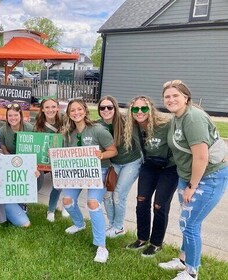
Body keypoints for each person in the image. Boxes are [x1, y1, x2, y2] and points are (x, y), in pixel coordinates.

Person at [159, 80, 228, 280]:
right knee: (186, 222)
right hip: (187, 177)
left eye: (175, 95)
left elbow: (201, 157)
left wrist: (191, 186)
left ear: (186, 98)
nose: (171, 99)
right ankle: (182, 260)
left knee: (190, 224)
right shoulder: (177, 117)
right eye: (167, 96)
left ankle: (191, 272)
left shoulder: (193, 118)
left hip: (209, 177)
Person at [61, 99, 117, 263]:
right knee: (67, 201)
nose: (76, 112)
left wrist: (100, 155)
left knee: (93, 203)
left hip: (98, 171)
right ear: (69, 114)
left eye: (79, 109)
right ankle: (79, 224)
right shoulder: (69, 133)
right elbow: (64, 155)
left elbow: (113, 151)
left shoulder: (98, 130)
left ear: (85, 111)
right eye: (72, 110)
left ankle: (101, 246)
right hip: (76, 172)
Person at [124, 95, 178, 257]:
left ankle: (156, 243)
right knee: (141, 201)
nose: (139, 112)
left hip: (169, 168)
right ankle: (141, 238)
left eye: (143, 108)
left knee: (159, 206)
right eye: (135, 109)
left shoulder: (166, 124)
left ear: (150, 109)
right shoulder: (132, 126)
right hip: (149, 166)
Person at [96, 96, 142, 238]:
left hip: (131, 162)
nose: (106, 110)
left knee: (118, 195)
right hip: (113, 163)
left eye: (109, 107)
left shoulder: (126, 121)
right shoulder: (97, 125)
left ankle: (119, 227)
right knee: (106, 194)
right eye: (102, 107)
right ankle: (112, 224)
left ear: (115, 108)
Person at [33, 98, 69, 222]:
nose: (50, 110)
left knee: (62, 184)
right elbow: (36, 144)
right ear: (42, 109)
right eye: (47, 107)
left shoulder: (65, 121)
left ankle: (66, 206)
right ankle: (51, 210)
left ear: (58, 108)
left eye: (53, 107)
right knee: (56, 184)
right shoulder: (38, 124)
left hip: (63, 156)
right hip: (47, 159)